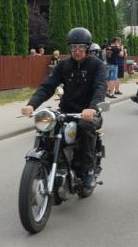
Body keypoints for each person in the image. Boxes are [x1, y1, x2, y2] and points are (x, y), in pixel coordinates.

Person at [20, 27, 107, 189]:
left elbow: (100, 88)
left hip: (88, 113)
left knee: (85, 126)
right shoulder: (63, 65)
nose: (77, 51)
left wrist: (93, 108)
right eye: (73, 47)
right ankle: (45, 163)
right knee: (47, 127)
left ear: (87, 47)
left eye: (81, 47)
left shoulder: (98, 65)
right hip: (66, 111)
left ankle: (87, 171)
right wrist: (31, 104)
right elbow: (47, 86)